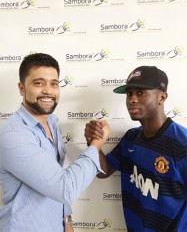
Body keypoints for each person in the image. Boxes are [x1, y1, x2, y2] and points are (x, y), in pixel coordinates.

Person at [0, 53, 110, 232]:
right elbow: (65, 188)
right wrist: (95, 145)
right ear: (21, 88)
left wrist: (66, 220)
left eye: (54, 83)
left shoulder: (51, 122)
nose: (48, 91)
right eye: (39, 83)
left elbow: (53, 180)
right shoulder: (13, 134)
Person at [85, 66, 187, 232]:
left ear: (162, 97)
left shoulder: (182, 144)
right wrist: (93, 142)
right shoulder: (131, 138)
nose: (132, 99)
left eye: (140, 93)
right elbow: (103, 172)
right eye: (129, 93)